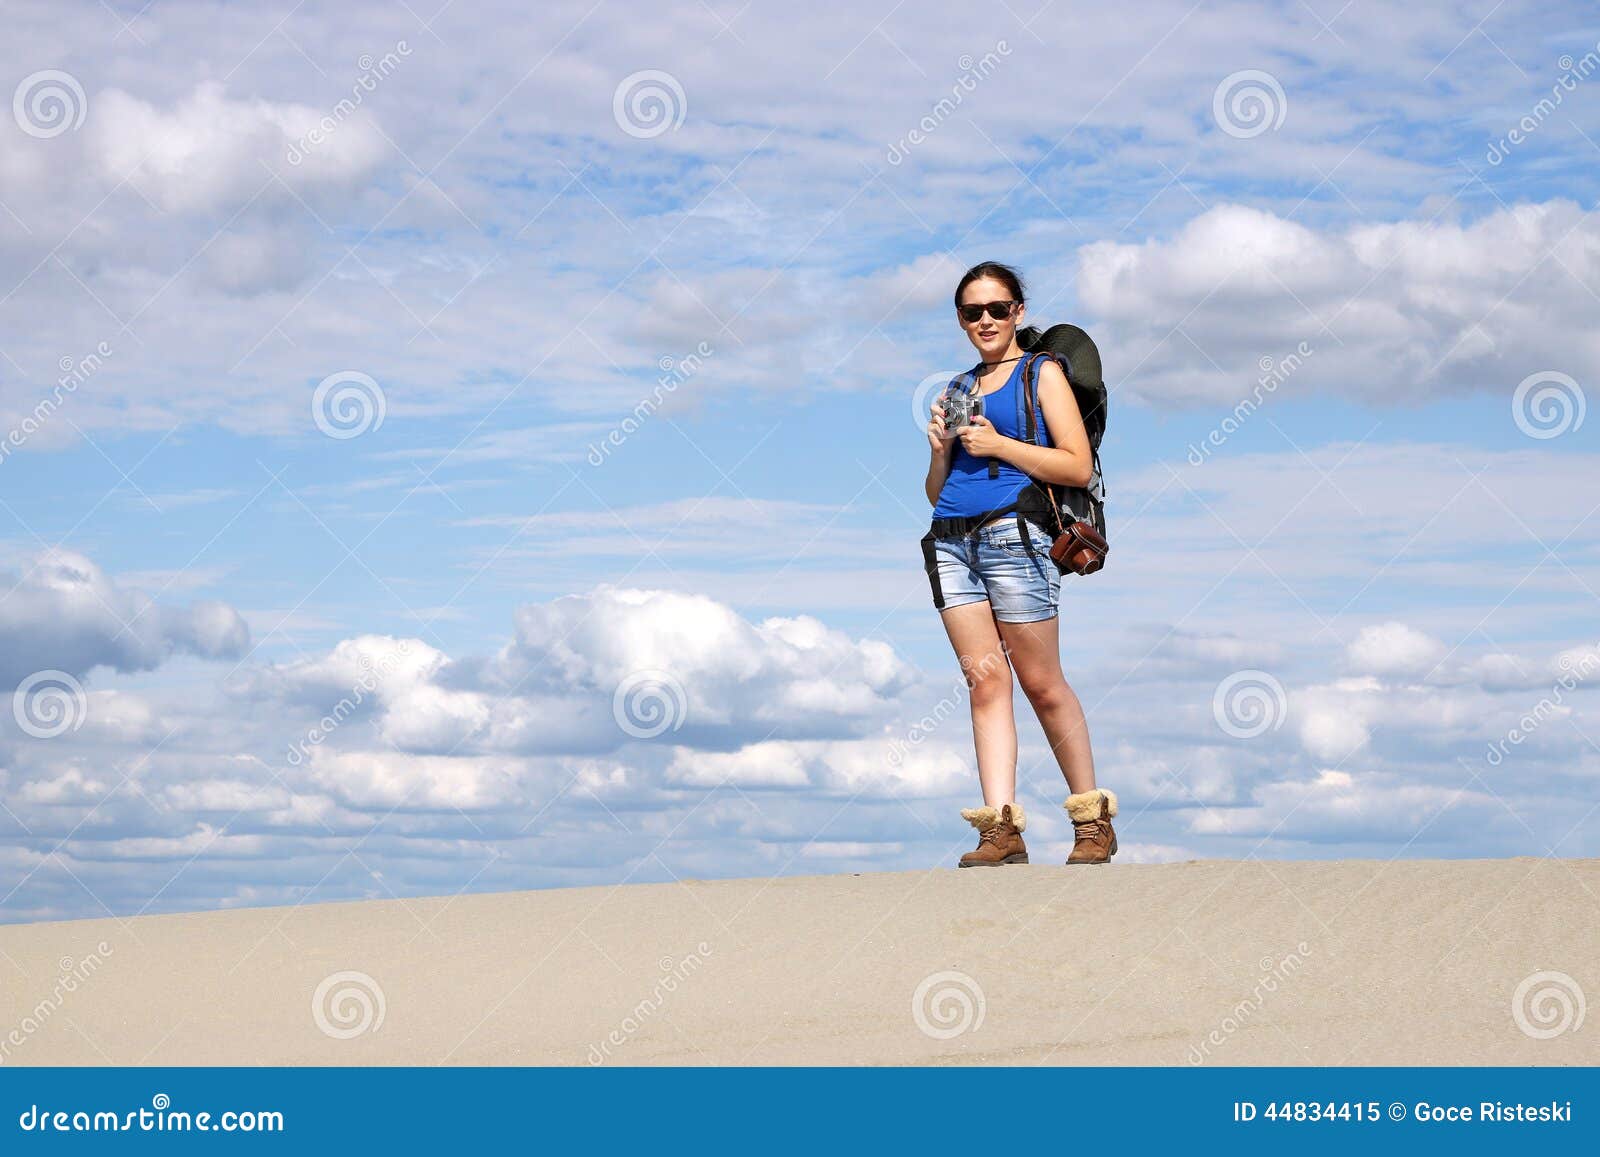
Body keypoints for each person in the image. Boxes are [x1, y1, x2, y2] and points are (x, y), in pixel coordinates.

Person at [920, 261, 1118, 867]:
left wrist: (1000, 445)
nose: (985, 320)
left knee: (1040, 681)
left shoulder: (1042, 372)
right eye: (972, 311)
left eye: (996, 309)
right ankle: (1000, 831)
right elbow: (938, 489)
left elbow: (1077, 466)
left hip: (1016, 536)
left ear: (1018, 313)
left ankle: (1091, 820)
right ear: (960, 319)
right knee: (985, 682)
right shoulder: (956, 388)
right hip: (951, 541)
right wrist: (939, 452)